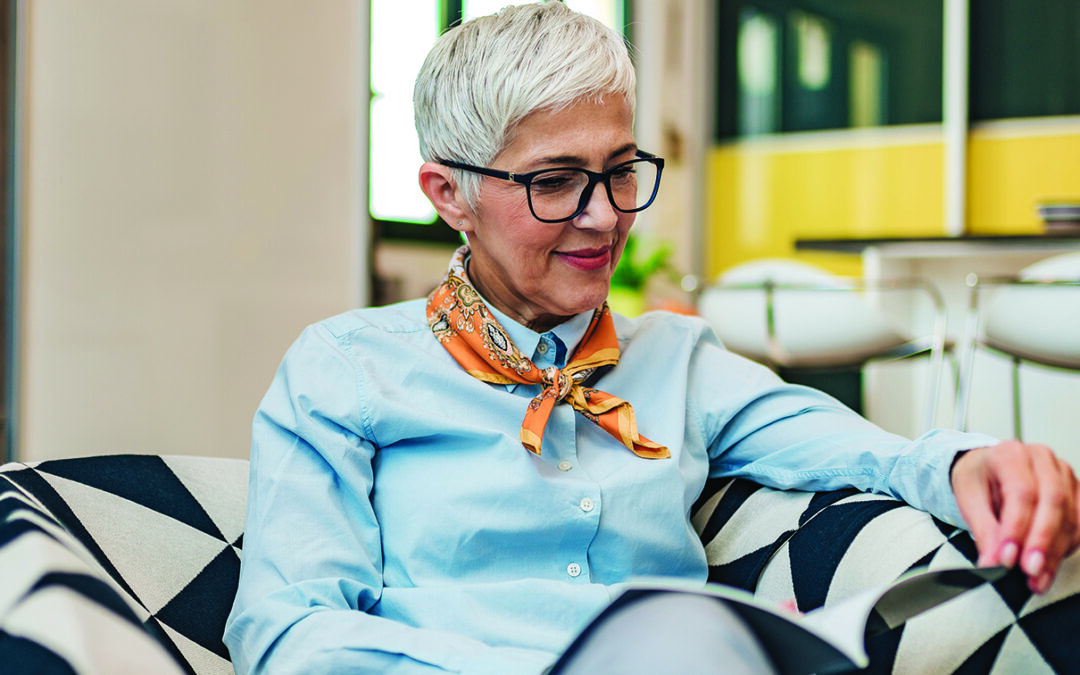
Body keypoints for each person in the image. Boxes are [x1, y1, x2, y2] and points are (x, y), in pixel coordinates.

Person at [224, 3, 1080, 673]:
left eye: (622, 170)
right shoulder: (341, 370)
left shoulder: (679, 363)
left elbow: (876, 455)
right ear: (448, 195)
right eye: (556, 182)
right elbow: (288, 635)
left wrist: (976, 464)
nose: (605, 216)